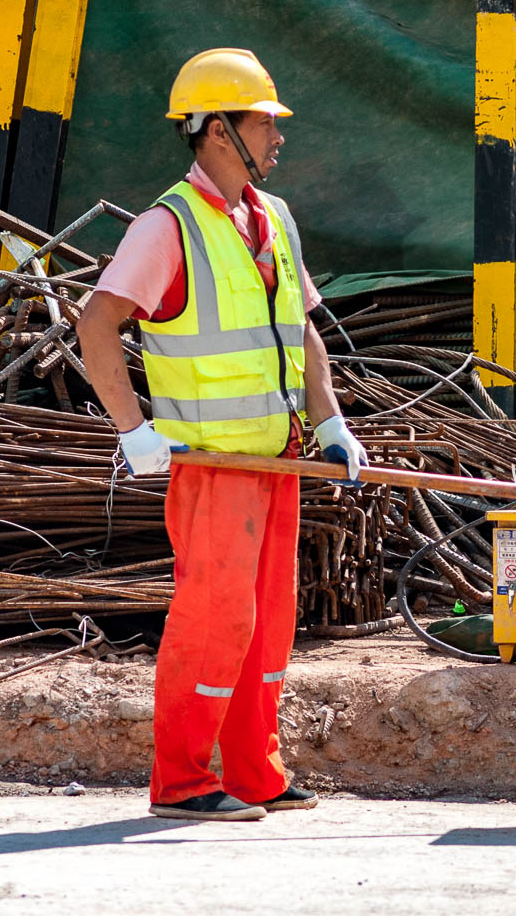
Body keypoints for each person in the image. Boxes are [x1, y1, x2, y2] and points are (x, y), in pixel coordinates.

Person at [77, 47, 367, 822]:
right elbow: (97, 323)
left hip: (277, 462)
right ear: (216, 131)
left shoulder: (272, 219)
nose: (277, 136)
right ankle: (182, 780)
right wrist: (132, 429)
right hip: (212, 467)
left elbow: (300, 329)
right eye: (263, 121)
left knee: (269, 621)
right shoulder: (166, 226)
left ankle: (254, 771)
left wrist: (331, 418)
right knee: (217, 619)